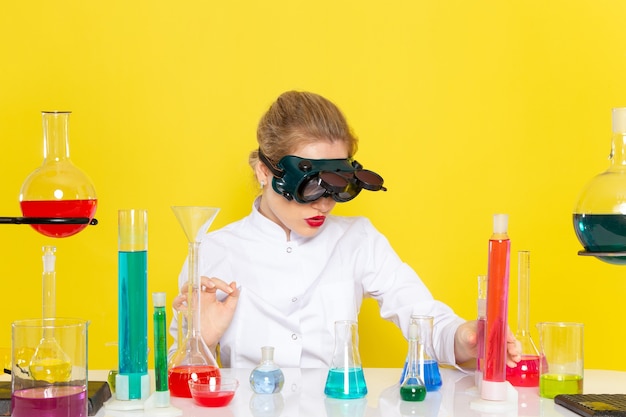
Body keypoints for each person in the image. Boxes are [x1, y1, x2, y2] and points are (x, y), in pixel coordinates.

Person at [169, 90, 521, 369]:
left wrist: (463, 337)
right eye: (310, 188)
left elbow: (420, 312)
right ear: (265, 171)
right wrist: (202, 339)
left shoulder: (358, 239)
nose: (324, 204)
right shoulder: (212, 251)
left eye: (338, 188)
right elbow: (177, 380)